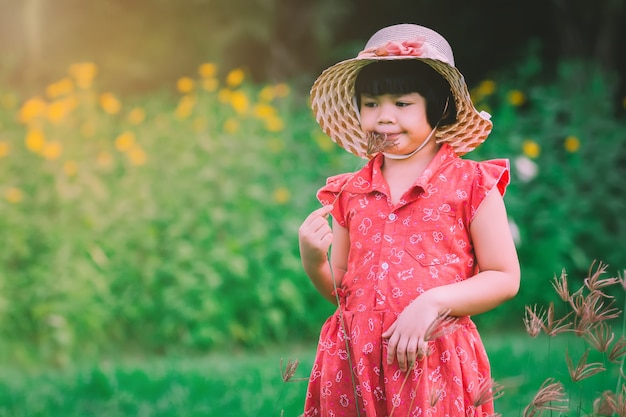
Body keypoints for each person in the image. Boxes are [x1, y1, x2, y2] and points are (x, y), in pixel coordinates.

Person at [298, 24, 520, 416]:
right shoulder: (351, 192)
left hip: (433, 357)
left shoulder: (470, 185)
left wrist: (433, 302)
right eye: (370, 104)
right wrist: (314, 260)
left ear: (439, 107)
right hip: (355, 360)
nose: (384, 117)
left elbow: (504, 276)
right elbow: (343, 289)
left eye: (402, 104)